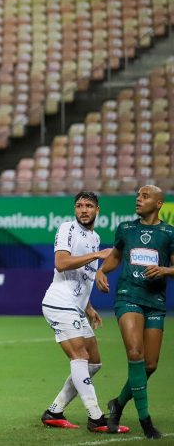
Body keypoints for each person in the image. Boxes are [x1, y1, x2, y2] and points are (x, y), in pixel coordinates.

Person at [39, 192, 125, 433]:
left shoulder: (95, 237)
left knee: (94, 363)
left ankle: (54, 411)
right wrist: (98, 255)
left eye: (89, 206)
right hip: (59, 302)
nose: (83, 210)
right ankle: (96, 417)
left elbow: (85, 276)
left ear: (98, 210)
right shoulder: (67, 228)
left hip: (76, 307)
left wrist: (88, 307)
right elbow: (62, 263)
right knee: (80, 357)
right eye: (79, 206)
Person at [96, 185, 174, 439]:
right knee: (135, 353)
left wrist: (165, 270)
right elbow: (116, 256)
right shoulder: (126, 229)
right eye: (137, 196)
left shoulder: (168, 233)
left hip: (155, 300)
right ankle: (146, 421)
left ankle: (117, 404)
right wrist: (101, 270)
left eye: (145, 196)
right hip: (128, 297)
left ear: (159, 203)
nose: (138, 200)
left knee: (150, 365)